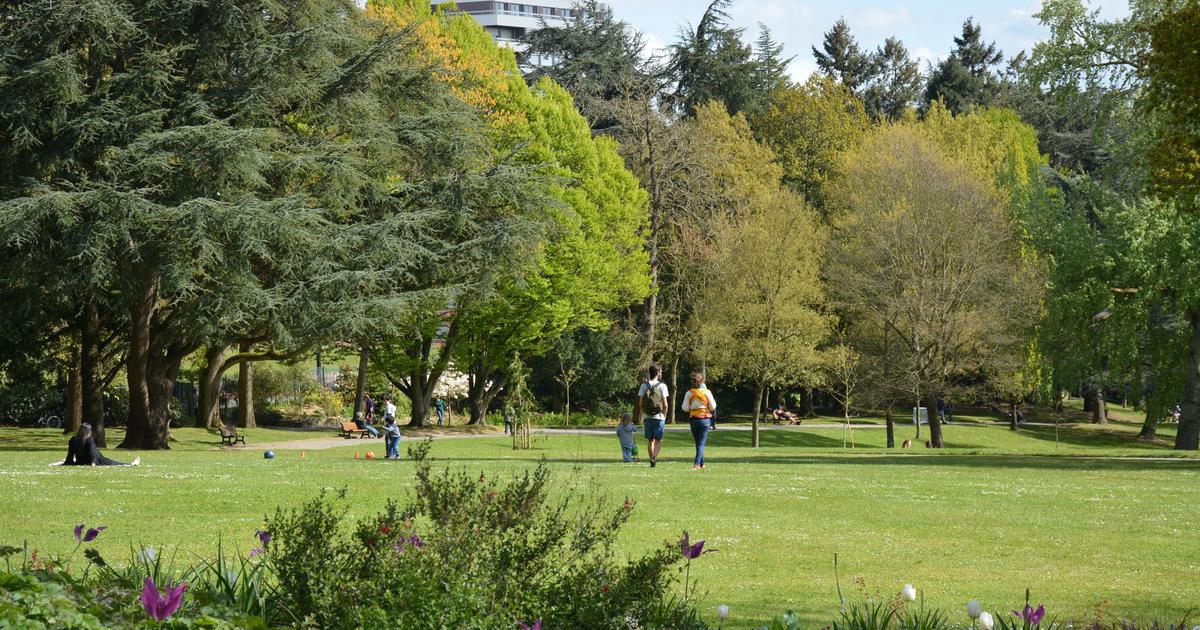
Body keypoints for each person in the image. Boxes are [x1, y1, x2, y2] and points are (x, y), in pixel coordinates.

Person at [680, 372, 716, 470]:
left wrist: (693, 407)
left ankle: (701, 463)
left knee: (698, 442)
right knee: (700, 443)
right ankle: (697, 464)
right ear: (702, 381)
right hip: (704, 420)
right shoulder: (707, 392)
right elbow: (713, 406)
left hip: (693, 420)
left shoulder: (689, 393)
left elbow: (685, 408)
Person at [59, 423, 140, 466]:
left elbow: (70, 456)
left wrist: (68, 462)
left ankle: (132, 464)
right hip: (99, 460)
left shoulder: (73, 440)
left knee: (113, 462)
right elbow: (93, 454)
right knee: (114, 463)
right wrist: (93, 464)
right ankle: (132, 464)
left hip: (82, 462)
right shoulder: (89, 440)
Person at [637, 364, 670, 468]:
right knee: (658, 440)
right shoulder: (662, 386)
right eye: (660, 372)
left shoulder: (643, 385)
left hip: (647, 417)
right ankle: (654, 458)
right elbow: (665, 404)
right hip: (659, 417)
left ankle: (651, 459)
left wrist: (644, 413)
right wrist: (664, 416)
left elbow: (640, 403)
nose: (661, 373)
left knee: (650, 440)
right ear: (656, 373)